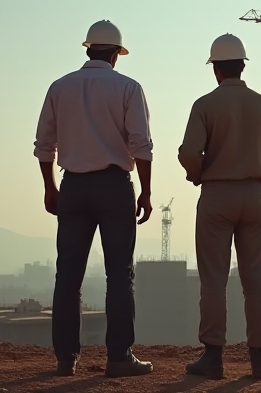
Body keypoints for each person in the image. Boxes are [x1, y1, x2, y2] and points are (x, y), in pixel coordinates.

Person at [33, 20, 155, 378]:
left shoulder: (60, 87)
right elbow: (141, 145)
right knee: (119, 274)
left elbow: (44, 146)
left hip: (73, 186)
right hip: (114, 186)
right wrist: (146, 191)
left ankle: (65, 358)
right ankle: (119, 356)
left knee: (67, 274)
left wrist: (49, 187)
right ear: (117, 53)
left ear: (88, 49)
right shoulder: (128, 88)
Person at [178, 33, 261, 380]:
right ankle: (259, 359)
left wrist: (198, 175)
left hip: (216, 197)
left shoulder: (204, 105)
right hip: (255, 198)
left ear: (216, 70)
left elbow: (188, 154)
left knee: (213, 281)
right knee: (257, 281)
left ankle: (213, 358)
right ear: (242, 66)